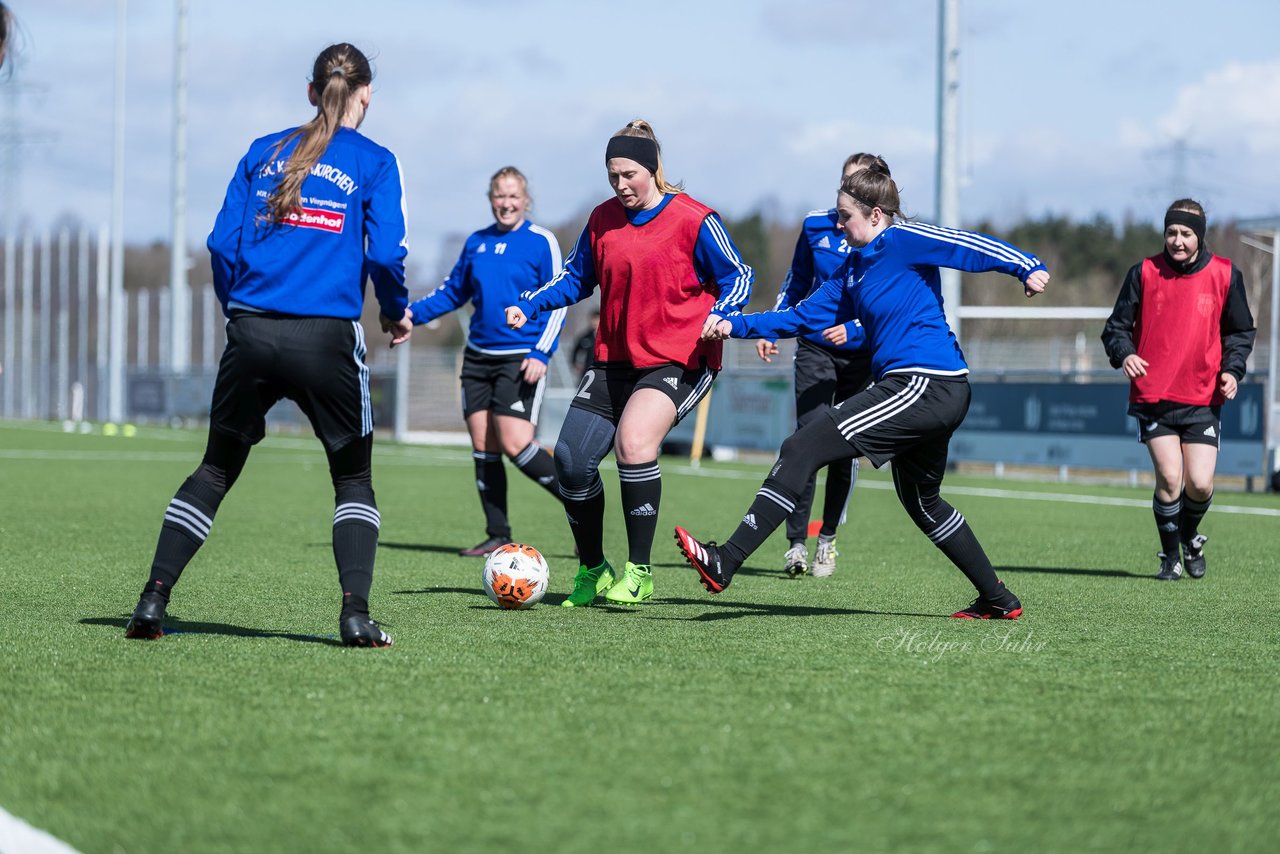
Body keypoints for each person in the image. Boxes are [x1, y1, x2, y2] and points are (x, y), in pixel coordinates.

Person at [124, 43, 411, 648]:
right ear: (366, 96)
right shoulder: (376, 161)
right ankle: (355, 614)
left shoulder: (263, 151)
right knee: (353, 481)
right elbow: (385, 254)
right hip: (326, 338)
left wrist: (240, 310)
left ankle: (152, 600)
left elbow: (221, 244)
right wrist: (392, 311)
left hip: (251, 332)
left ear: (311, 92)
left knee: (215, 470)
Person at [675, 165, 1050, 620]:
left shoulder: (902, 240)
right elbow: (798, 317)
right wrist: (734, 325)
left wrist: (1025, 266)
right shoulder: (852, 270)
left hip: (924, 382)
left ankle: (725, 560)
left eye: (845, 216)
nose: (838, 224)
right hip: (932, 390)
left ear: (876, 215)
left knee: (802, 445)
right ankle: (998, 598)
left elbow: (967, 246)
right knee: (922, 502)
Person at [506, 119, 753, 607]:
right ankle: (595, 569)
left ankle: (640, 573)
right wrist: (530, 303)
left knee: (634, 443)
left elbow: (739, 274)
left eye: (629, 175)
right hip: (613, 360)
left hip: (679, 359)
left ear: (654, 169)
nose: (621, 185)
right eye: (612, 176)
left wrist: (723, 313)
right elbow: (575, 278)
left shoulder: (695, 219)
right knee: (572, 465)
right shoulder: (602, 220)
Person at [406, 166, 567, 557]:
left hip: (521, 357)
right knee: (484, 444)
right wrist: (409, 315)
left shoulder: (540, 241)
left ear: (526, 200)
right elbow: (451, 292)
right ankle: (498, 533)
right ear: (490, 199)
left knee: (516, 443)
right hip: (478, 358)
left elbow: (560, 298)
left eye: (513, 196)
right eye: (499, 195)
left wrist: (540, 352)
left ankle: (581, 501)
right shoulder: (476, 242)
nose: (506, 203)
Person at [1101, 199, 1255, 581]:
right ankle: (1170, 558)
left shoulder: (1224, 274)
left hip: (1203, 397)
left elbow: (1240, 332)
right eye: (1171, 232)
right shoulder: (1144, 272)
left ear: (1199, 236)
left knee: (1200, 484)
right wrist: (1125, 354)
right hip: (1154, 395)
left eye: (1186, 233)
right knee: (1171, 478)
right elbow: (1115, 328)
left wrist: (1233, 371)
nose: (1178, 240)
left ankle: (1188, 539)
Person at [759, 153, 886, 579]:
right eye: (844, 184)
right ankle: (796, 543)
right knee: (808, 437)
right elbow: (796, 281)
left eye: (858, 185)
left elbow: (885, 302)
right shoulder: (815, 224)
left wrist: (853, 329)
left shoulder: (890, 234)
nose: (847, 194)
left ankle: (827, 539)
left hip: (862, 353)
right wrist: (772, 327)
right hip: (814, 348)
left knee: (845, 448)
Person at [570, 309, 600, 379]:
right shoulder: (585, 337)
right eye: (593, 319)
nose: (594, 322)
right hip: (587, 371)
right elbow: (575, 350)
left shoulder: (606, 337)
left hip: (600, 370)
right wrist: (575, 363)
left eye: (597, 319)